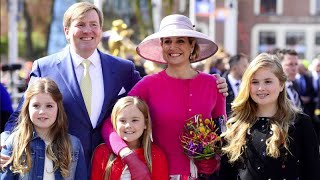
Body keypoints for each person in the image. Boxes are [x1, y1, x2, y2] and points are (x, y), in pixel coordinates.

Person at [0, 2, 228, 176]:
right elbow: (22, 113)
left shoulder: (123, 70)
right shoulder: (45, 66)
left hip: (109, 167)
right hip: (63, 166)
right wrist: (5, 138)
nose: (87, 30)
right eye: (80, 25)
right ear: (67, 30)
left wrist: (216, 85)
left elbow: (143, 105)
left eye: (93, 25)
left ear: (101, 30)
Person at [102, 14, 226, 179]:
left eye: (180, 41)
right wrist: (128, 155)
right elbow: (110, 124)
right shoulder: (148, 84)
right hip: (160, 173)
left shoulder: (213, 84)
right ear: (161, 46)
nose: (173, 47)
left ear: (192, 45)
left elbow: (222, 131)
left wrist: (214, 157)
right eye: (167, 41)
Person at [219, 53, 320, 180]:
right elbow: (226, 174)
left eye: (268, 81)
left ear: (281, 85)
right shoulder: (236, 125)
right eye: (255, 82)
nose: (261, 88)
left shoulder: (300, 122)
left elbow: (313, 172)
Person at [0, 78, 86, 179]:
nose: (42, 111)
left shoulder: (74, 144)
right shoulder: (14, 142)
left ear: (58, 108)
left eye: (49, 106)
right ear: (27, 108)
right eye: (36, 105)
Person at [91, 96, 168, 179]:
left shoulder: (156, 155)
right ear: (114, 123)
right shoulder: (102, 152)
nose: (128, 125)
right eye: (122, 121)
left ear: (145, 123)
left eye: (135, 120)